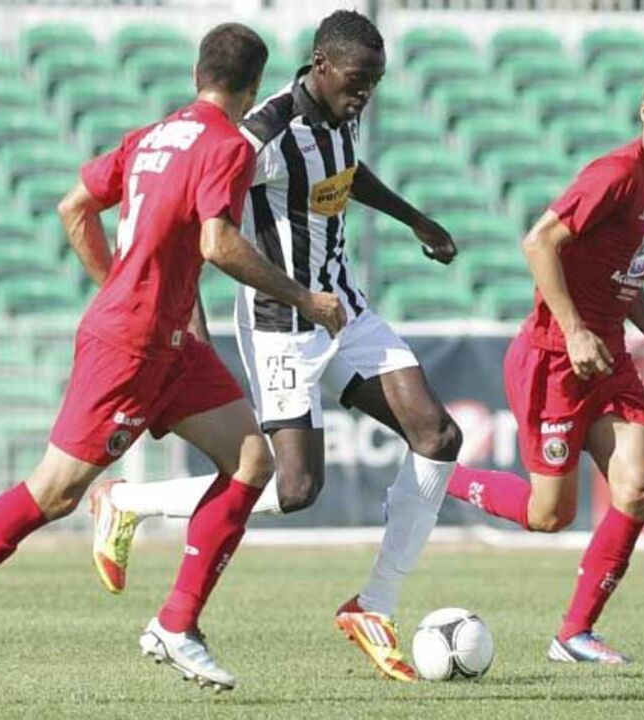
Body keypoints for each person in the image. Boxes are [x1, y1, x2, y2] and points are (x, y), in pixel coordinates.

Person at [0, 22, 345, 697]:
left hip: (166, 341)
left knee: (252, 460)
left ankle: (177, 623)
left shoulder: (153, 136)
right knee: (53, 493)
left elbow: (75, 206)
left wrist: (118, 285)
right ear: (252, 89)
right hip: (130, 347)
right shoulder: (226, 144)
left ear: (197, 75)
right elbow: (218, 244)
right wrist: (305, 297)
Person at [87, 9, 462, 683]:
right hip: (279, 327)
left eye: (375, 82)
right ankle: (129, 502)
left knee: (436, 434)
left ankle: (372, 605)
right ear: (320, 65)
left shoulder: (339, 112)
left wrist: (414, 218)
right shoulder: (259, 136)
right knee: (295, 488)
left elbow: (344, 172)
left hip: (343, 309)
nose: (365, 95)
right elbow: (199, 230)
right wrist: (191, 321)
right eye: (357, 80)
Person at [447, 60, 644, 664]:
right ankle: (441, 480)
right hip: (553, 359)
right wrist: (572, 331)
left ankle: (573, 634)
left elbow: (627, 276)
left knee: (638, 489)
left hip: (608, 355)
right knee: (549, 515)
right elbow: (539, 242)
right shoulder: (615, 174)